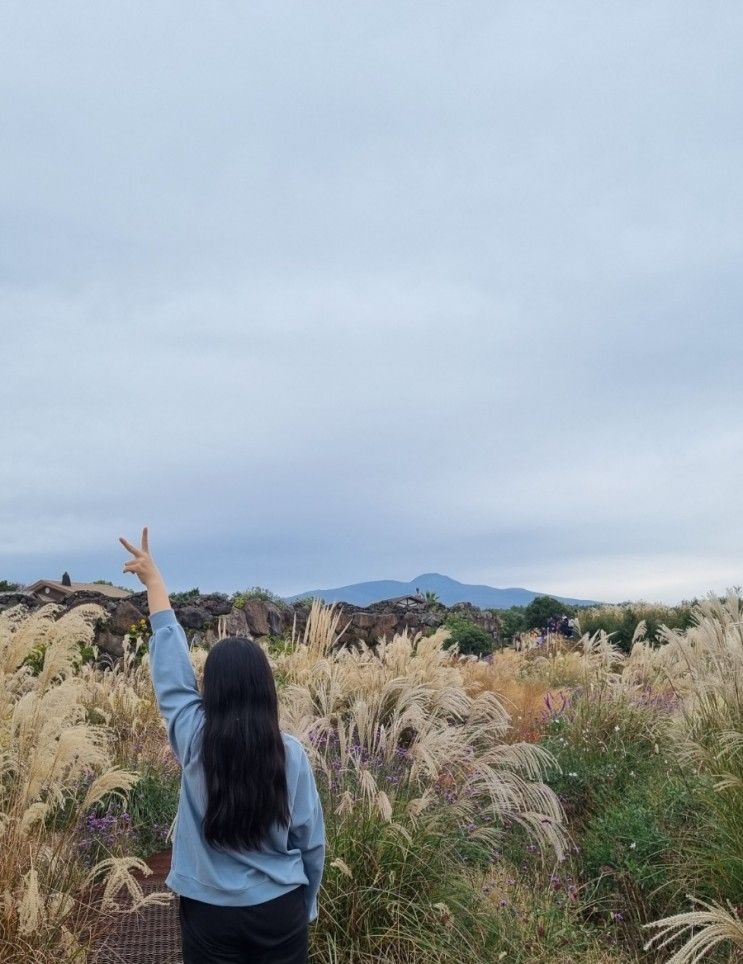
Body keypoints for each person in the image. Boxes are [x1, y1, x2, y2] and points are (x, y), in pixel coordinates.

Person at [119, 527, 325, 964]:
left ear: (210, 689)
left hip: (209, 913)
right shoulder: (291, 754)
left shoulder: (194, 740)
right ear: (265, 690)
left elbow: (172, 679)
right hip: (280, 911)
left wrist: (156, 584)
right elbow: (311, 841)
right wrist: (305, 903)